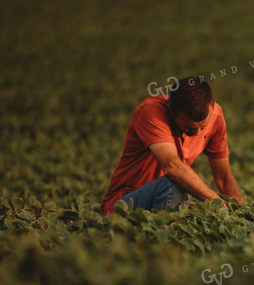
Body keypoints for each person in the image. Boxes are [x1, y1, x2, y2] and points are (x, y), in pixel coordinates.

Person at [100, 76, 242, 216]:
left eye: (203, 127)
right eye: (189, 127)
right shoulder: (151, 112)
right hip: (123, 206)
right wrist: (215, 201)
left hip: (169, 200)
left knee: (185, 192)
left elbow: (224, 178)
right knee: (176, 183)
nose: (197, 132)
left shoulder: (216, 116)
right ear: (171, 110)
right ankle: (166, 236)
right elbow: (172, 166)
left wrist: (238, 215)